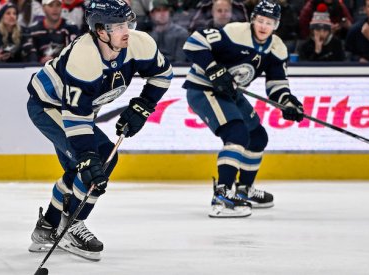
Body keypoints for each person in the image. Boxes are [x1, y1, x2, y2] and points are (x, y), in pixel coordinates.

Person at [27, 0, 173, 260]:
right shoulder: (83, 59)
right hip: (50, 107)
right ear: (100, 31)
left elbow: (163, 74)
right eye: (117, 26)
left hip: (76, 111)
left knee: (79, 170)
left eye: (127, 23)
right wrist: (87, 155)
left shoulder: (140, 44)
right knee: (101, 159)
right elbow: (75, 117)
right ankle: (71, 226)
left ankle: (47, 227)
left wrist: (143, 105)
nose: (126, 30)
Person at [183, 0, 304, 218]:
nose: (263, 26)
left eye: (269, 22)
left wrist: (288, 102)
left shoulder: (277, 48)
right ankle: (222, 196)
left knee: (257, 137)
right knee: (236, 134)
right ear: (252, 19)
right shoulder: (234, 32)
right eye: (260, 20)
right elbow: (193, 43)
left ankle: (244, 189)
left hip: (230, 92)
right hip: (203, 88)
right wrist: (214, 70)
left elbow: (276, 84)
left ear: (276, 25)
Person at [28, 0, 79, 64]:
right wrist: (40, 60)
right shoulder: (34, 30)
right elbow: (30, 55)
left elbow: (74, 55)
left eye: (58, 5)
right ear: (43, 8)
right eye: (51, 5)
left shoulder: (71, 28)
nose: (55, 9)